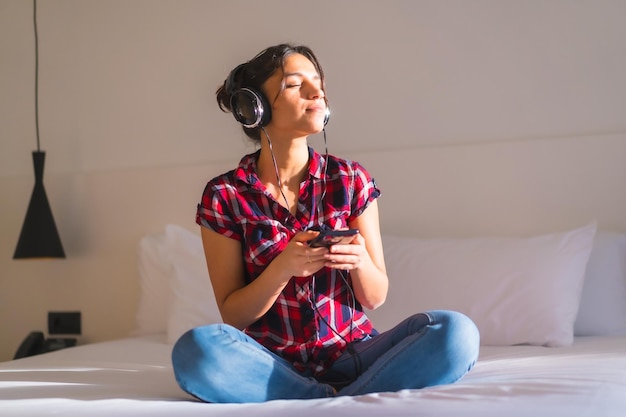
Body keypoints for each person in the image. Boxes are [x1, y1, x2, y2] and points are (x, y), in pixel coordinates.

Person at [171, 43, 479, 403]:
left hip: (356, 355)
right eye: (294, 84)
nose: (316, 92)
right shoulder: (224, 194)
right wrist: (282, 268)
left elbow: (375, 296)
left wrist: (361, 260)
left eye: (317, 82)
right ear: (255, 107)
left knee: (456, 333)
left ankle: (320, 398)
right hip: (269, 363)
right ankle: (330, 398)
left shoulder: (350, 179)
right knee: (196, 351)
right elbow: (233, 315)